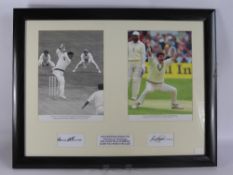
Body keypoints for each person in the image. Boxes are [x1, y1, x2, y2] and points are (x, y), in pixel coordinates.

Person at [128, 31, 146, 100]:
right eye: (134, 36)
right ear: (132, 36)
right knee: (127, 79)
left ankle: (134, 96)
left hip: (138, 62)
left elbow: (143, 56)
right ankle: (122, 95)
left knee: (136, 79)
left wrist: (143, 66)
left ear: (138, 37)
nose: (135, 37)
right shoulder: (128, 44)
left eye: (136, 36)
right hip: (129, 62)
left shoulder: (142, 45)